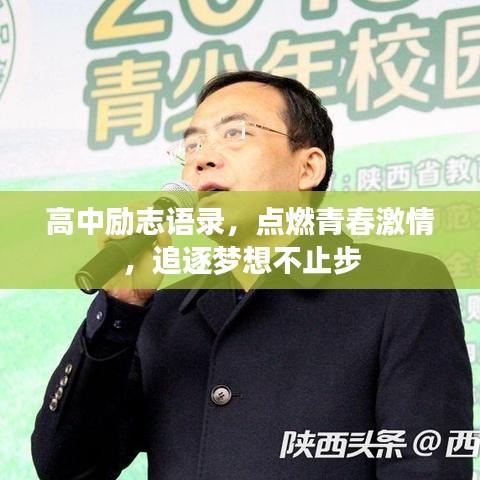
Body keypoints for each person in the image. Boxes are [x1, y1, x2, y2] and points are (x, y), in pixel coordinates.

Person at [31, 71, 473, 479]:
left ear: (308, 168)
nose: (203, 159)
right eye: (192, 146)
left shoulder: (399, 287)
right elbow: (68, 468)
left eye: (235, 134)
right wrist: (121, 310)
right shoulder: (163, 313)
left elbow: (427, 468)